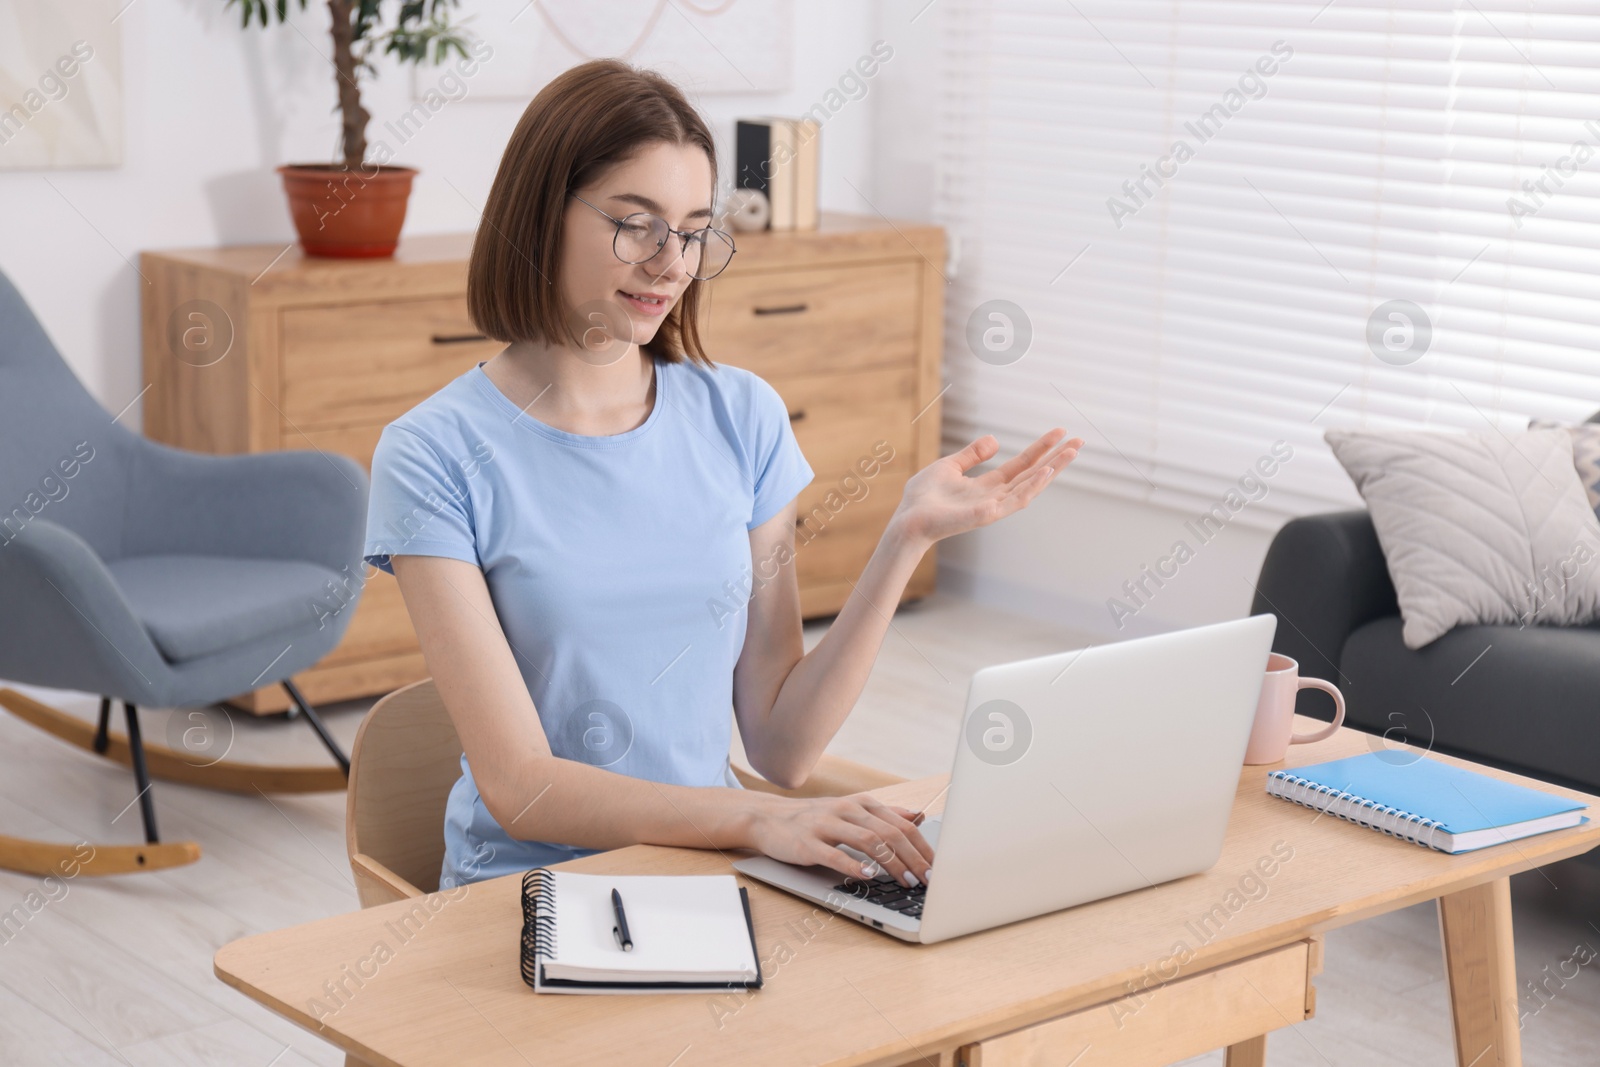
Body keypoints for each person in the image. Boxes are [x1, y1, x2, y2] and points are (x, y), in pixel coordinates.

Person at [362, 58, 1083, 891]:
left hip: (713, 876)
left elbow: (783, 746)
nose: (671, 263)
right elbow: (522, 787)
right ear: (541, 213)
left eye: (696, 230)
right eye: (638, 225)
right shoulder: (433, 453)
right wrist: (759, 820)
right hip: (530, 896)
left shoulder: (742, 416)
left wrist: (906, 535)